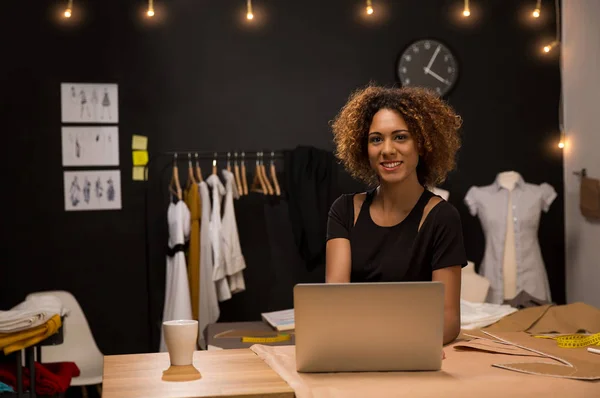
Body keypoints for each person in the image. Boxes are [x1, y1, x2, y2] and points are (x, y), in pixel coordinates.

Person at [326, 85, 467, 345]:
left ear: (423, 144)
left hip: (415, 349)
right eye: (376, 139)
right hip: (355, 347)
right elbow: (336, 302)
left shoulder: (442, 217)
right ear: (363, 147)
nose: (387, 149)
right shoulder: (344, 211)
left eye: (400, 137)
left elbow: (448, 319)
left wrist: (403, 346)